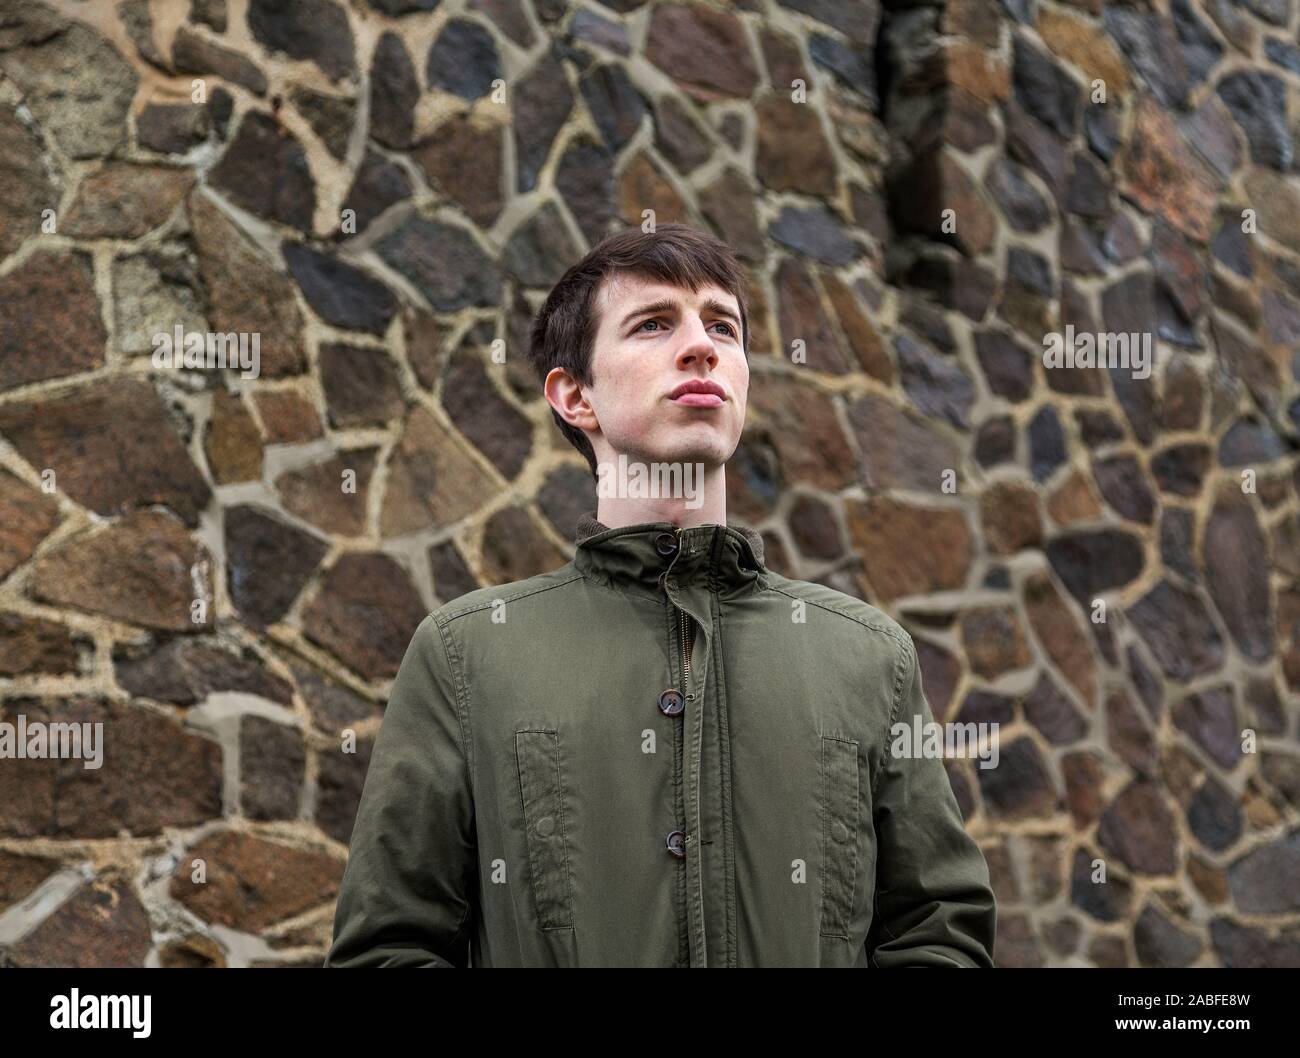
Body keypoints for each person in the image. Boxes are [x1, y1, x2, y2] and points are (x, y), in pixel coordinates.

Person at [324, 223, 997, 967]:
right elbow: (386, 948)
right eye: (653, 324)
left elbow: (940, 934)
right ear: (575, 396)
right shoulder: (466, 655)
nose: (702, 345)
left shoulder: (870, 658)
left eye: (722, 325)